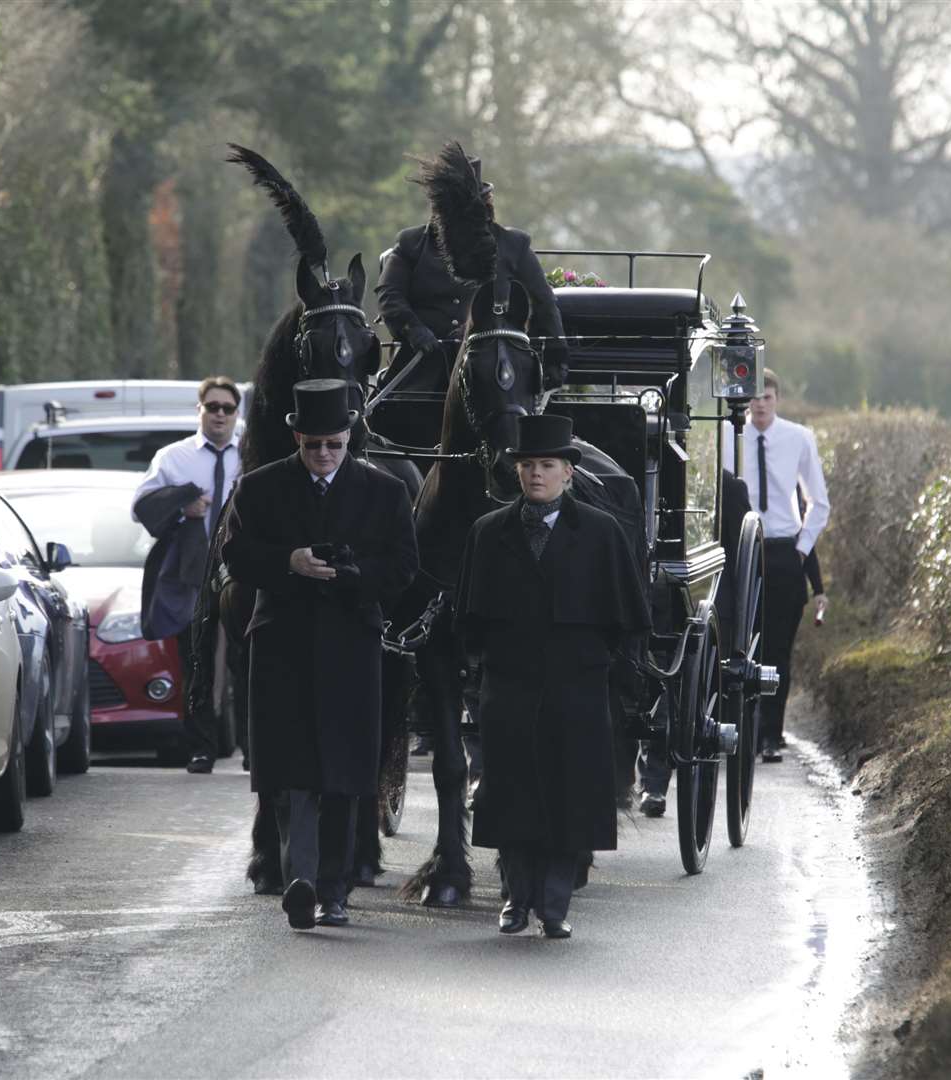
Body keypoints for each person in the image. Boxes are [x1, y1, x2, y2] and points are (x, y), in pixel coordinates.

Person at [221, 378, 417, 930]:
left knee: (343, 774)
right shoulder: (260, 489)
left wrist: (353, 574)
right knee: (292, 771)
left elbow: (403, 566)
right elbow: (237, 555)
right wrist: (290, 562)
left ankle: (335, 889)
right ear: (298, 440)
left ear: (349, 437)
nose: (323, 455)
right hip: (283, 642)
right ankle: (300, 880)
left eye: (333, 444)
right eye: (313, 445)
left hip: (351, 644)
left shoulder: (385, 492)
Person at [454, 414, 649, 939]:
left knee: (571, 790)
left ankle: (556, 904)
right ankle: (517, 899)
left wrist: (615, 681)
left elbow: (627, 619)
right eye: (528, 466)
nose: (536, 475)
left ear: (568, 472)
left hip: (577, 685)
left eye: (547, 465)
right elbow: (469, 623)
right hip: (509, 683)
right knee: (511, 788)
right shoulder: (489, 533)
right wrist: (475, 684)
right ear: (516, 472)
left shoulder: (602, 533)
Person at [375, 151, 570, 398]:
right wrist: (414, 329)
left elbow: (544, 301)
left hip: (495, 371)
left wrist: (556, 352)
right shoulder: (411, 243)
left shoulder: (513, 245)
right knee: (385, 413)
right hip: (423, 365)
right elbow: (389, 294)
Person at [133, 376, 243, 774]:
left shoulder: (251, 453)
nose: (219, 415)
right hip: (192, 574)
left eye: (227, 408)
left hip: (243, 570)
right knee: (196, 662)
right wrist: (183, 507)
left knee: (246, 658)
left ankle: (252, 747)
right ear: (199, 410)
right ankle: (201, 748)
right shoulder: (173, 457)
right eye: (211, 407)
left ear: (236, 413)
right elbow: (140, 507)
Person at [732, 369, 829, 763]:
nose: (759, 405)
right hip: (741, 550)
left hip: (782, 551)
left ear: (777, 399)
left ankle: (772, 734)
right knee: (741, 646)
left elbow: (818, 501)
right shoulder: (729, 434)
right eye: (753, 398)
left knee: (777, 650)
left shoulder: (798, 438)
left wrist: (802, 550)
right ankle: (742, 731)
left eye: (767, 397)